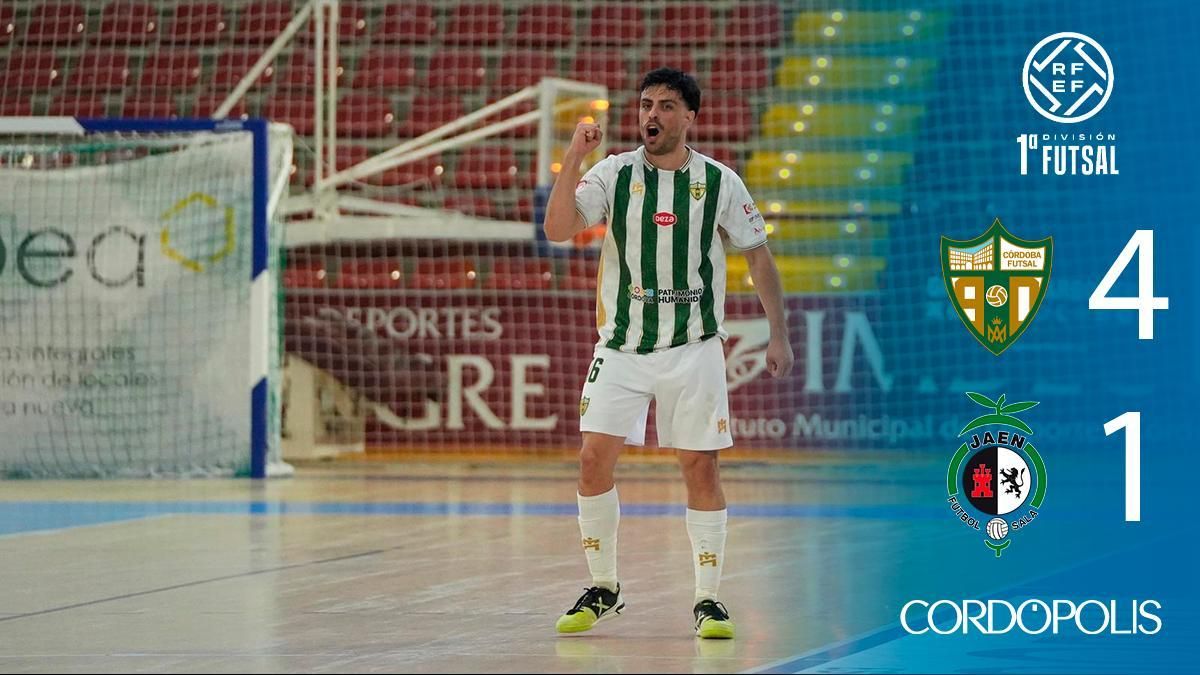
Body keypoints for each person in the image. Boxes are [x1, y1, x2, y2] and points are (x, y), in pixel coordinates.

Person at [543, 68, 794, 639]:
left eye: (665, 106)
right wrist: (573, 159)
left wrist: (778, 332)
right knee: (590, 461)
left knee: (699, 465)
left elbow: (758, 256)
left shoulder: (720, 182)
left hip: (694, 347)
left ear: (689, 118)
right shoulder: (614, 173)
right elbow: (558, 229)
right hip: (623, 346)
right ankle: (604, 588)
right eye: (645, 104)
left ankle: (708, 599)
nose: (651, 115)